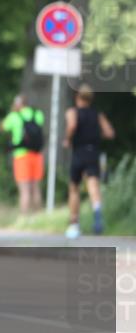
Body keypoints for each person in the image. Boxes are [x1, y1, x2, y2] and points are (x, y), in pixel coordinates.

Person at [64, 84, 115, 238]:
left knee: (74, 187)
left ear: (77, 97)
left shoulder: (73, 112)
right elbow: (110, 133)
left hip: (79, 152)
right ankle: (97, 212)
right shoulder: (97, 114)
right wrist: (97, 134)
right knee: (93, 185)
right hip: (93, 152)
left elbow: (72, 125)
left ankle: (74, 224)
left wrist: (67, 139)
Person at [1, 94, 45, 214]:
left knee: (24, 190)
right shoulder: (37, 114)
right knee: (36, 188)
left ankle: (24, 218)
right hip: (36, 155)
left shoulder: (14, 115)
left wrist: (13, 111)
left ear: (17, 104)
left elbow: (3, 127)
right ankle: (38, 217)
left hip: (21, 156)